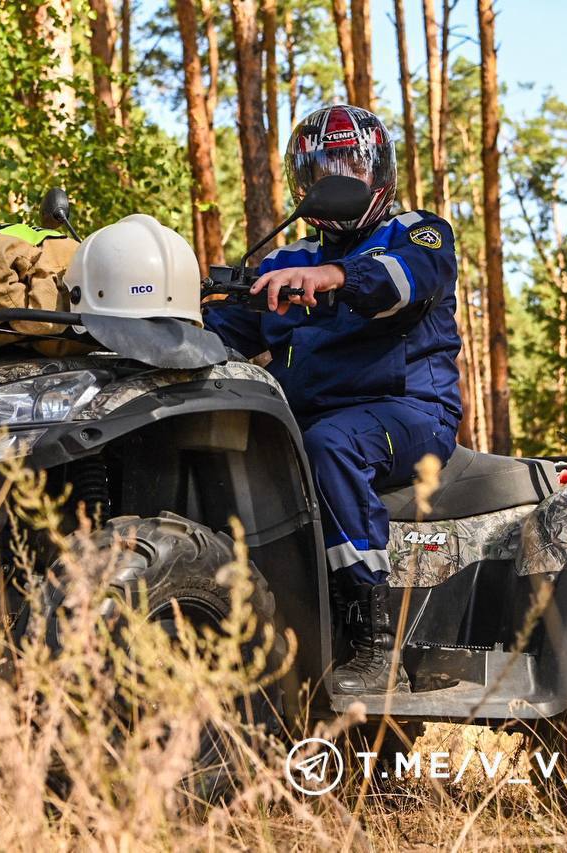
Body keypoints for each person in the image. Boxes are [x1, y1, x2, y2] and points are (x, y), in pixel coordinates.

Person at [204, 104, 461, 694]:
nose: (334, 180)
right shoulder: (287, 261)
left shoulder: (420, 233)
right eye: (322, 167)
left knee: (328, 445)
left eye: (349, 166)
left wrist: (338, 278)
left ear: (379, 175)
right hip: (308, 419)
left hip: (412, 414)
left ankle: (373, 635)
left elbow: (401, 279)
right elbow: (225, 333)